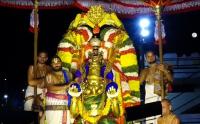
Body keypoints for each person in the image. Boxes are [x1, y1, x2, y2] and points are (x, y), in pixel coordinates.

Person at [140, 51, 173, 124]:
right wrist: (143, 74)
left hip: (160, 99)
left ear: (155, 56)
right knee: (150, 122)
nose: (150, 58)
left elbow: (171, 80)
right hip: (149, 100)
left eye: (152, 56)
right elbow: (139, 82)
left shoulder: (162, 67)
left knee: (161, 121)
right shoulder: (145, 70)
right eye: (148, 56)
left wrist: (164, 70)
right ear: (146, 59)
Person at [45, 55, 72, 124]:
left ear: (61, 63)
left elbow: (73, 85)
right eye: (54, 62)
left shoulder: (68, 74)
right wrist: (66, 86)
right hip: (53, 105)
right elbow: (50, 87)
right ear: (51, 64)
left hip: (66, 104)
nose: (56, 64)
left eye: (58, 62)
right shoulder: (49, 75)